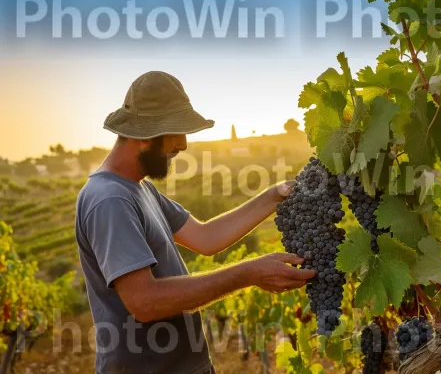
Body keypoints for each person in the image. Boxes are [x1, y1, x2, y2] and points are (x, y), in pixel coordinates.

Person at [74, 71, 315, 374]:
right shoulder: (110, 200)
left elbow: (205, 237)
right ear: (143, 137)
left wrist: (273, 196)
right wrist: (249, 273)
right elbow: (144, 302)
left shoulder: (140, 189)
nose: (184, 144)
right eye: (176, 130)